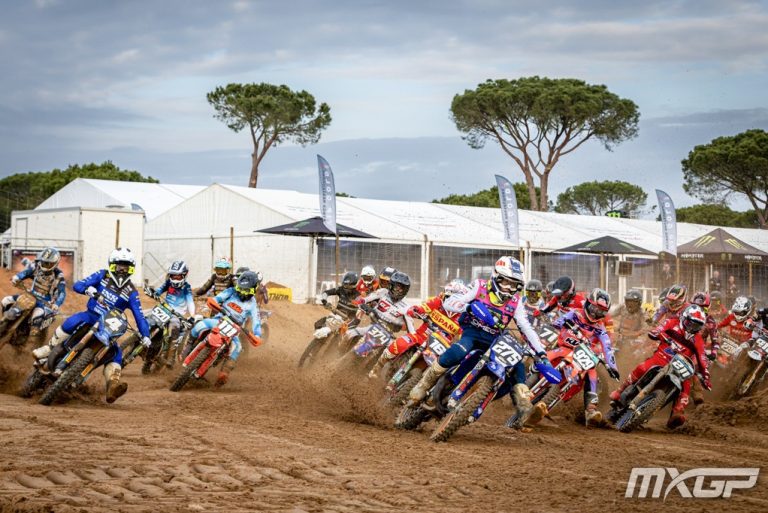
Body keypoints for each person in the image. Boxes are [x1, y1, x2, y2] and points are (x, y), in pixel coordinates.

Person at [409, 257, 546, 424]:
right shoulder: (479, 287)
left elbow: (526, 328)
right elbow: (450, 302)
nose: (509, 288)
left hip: (494, 340)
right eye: (506, 282)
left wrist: (542, 353)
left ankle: (524, 409)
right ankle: (424, 384)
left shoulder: (516, 302)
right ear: (496, 277)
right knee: (458, 351)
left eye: (514, 285)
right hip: (472, 333)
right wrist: (467, 307)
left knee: (517, 364)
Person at [32, 248, 151, 403]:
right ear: (112, 265)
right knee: (73, 320)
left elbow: (139, 316)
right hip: (91, 316)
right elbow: (78, 285)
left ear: (131, 269)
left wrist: (146, 336)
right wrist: (89, 290)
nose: (122, 270)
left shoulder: (131, 292)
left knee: (116, 353)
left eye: (126, 267)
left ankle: (113, 385)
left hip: (108, 327)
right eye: (119, 266)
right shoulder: (102, 275)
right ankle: (49, 348)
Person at [610, 304, 711, 429]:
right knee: (643, 367)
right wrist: (657, 333)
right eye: (690, 323)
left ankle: (677, 412)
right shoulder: (671, 322)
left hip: (681, 366)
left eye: (696, 326)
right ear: (684, 318)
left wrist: (706, 376)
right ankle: (620, 390)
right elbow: (658, 329)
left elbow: (702, 358)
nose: (692, 328)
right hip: (662, 357)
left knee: (686, 385)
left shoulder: (698, 340)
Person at [530, 288, 620, 426]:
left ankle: (590, 410)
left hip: (583, 354)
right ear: (588, 304)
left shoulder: (600, 327)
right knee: (546, 355)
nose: (596, 314)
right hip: (565, 347)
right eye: (594, 309)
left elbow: (607, 346)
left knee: (592, 372)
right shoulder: (575, 313)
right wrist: (563, 324)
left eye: (601, 312)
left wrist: (613, 367)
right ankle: (529, 379)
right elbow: (558, 322)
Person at [367, 278, 467, 378]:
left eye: (456, 299)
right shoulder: (437, 301)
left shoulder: (464, 316)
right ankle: (376, 369)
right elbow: (422, 308)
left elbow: (463, 337)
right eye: (449, 297)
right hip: (420, 336)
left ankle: (423, 386)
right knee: (398, 344)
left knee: (437, 371)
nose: (451, 302)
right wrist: (414, 310)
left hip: (438, 348)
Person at [190, 271, 262, 386]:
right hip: (219, 319)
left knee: (238, 347)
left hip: (234, 329)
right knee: (199, 325)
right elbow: (218, 298)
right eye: (240, 288)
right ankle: (187, 348)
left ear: (253, 289)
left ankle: (224, 373)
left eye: (245, 290)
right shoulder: (231, 291)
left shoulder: (253, 304)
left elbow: (256, 321)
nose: (242, 292)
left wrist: (257, 335)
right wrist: (214, 301)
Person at [0, 247, 66, 339]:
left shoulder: (59, 275)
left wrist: (57, 304)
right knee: (5, 300)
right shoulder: (36, 266)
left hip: (44, 303)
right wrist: (17, 277)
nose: (45, 265)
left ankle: (31, 342)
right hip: (30, 295)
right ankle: (4, 321)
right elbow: (25, 273)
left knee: (37, 317)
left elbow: (62, 292)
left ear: (55, 263)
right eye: (44, 262)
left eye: (48, 263)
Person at [343, 271, 412, 348]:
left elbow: (411, 330)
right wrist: (362, 304)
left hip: (388, 335)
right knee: (349, 333)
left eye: (401, 289)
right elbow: (364, 299)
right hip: (372, 326)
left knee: (393, 350)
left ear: (405, 290)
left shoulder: (407, 306)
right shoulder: (383, 292)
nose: (397, 291)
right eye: (396, 287)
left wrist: (400, 326)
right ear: (391, 285)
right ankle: (339, 351)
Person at [151, 260, 195, 368]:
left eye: (178, 276)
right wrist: (154, 293)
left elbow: (190, 302)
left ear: (184, 275)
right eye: (173, 276)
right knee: (148, 316)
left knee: (174, 328)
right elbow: (159, 290)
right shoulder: (168, 283)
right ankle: (140, 339)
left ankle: (171, 358)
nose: (175, 278)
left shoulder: (186, 287)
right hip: (164, 309)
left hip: (177, 314)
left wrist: (192, 315)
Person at [689, 292, 719, 405]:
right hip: (680, 344)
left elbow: (715, 340)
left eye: (703, 308)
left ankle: (697, 395)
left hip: (697, 350)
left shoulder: (710, 322)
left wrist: (714, 353)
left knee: (696, 371)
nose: (699, 311)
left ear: (707, 308)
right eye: (696, 307)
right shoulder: (684, 314)